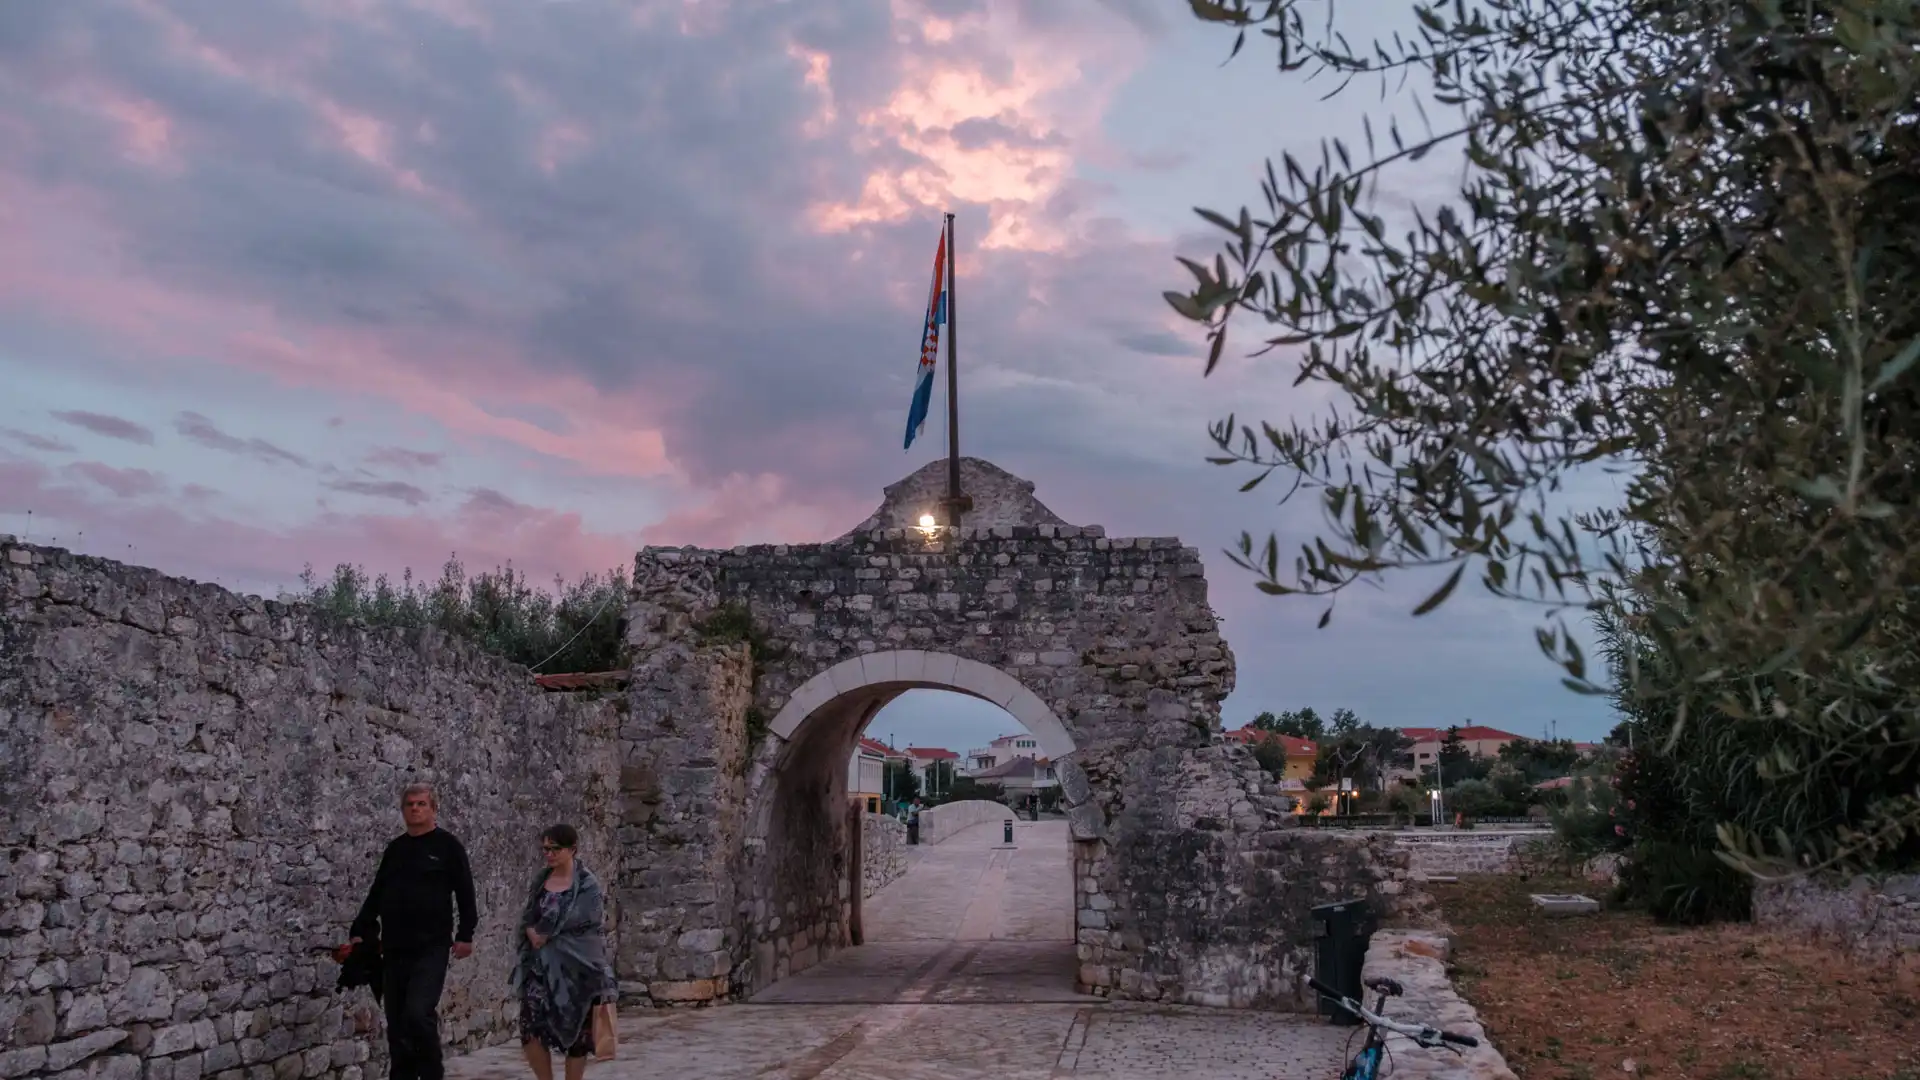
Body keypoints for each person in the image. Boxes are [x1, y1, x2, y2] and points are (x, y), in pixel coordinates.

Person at [351, 783, 478, 1080]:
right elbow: (377, 893)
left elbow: (465, 893)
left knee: (418, 1013)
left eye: (421, 804)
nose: (415, 809)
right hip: (394, 949)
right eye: (410, 804)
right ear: (403, 809)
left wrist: (466, 934)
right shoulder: (395, 850)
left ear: (433, 809)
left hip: (431, 948)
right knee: (397, 1024)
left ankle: (432, 1074)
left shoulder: (448, 847)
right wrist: (360, 929)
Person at [513, 824, 618, 1080]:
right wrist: (529, 931)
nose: (549, 855)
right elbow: (530, 915)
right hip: (540, 968)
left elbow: (584, 921)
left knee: (577, 1036)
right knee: (530, 1029)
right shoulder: (541, 880)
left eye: (555, 849)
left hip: (578, 969)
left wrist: (546, 934)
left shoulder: (587, 884)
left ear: (572, 849)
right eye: (545, 849)